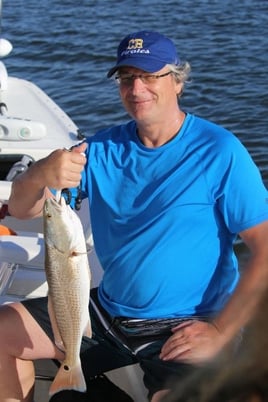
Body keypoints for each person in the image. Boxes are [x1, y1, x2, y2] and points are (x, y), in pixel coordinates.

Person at [0, 30, 268, 402]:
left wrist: (222, 331)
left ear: (177, 82)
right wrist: (41, 172)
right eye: (126, 78)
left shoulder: (220, 152)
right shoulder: (100, 148)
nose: (136, 88)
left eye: (149, 76)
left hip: (190, 321)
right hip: (108, 314)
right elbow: (21, 209)